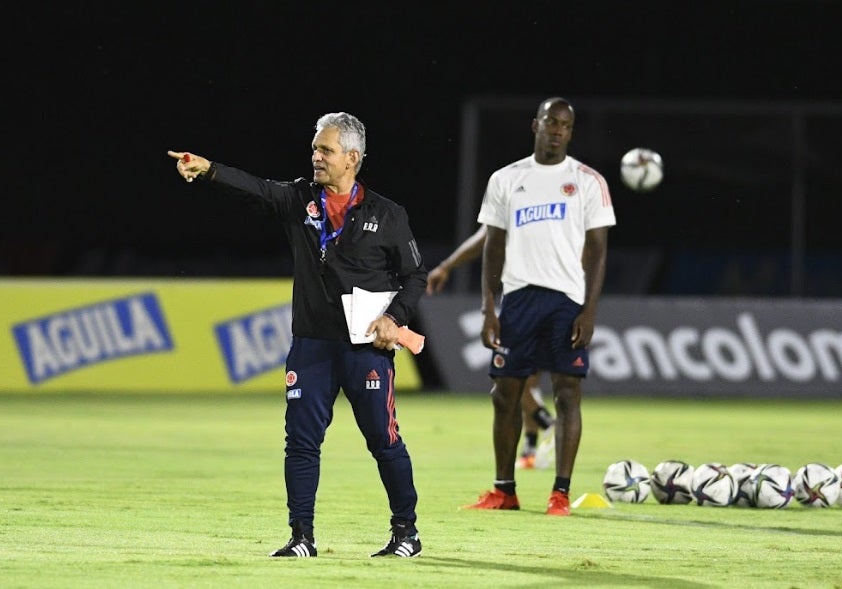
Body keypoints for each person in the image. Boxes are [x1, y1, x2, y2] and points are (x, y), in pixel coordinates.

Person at [168, 112, 426, 557]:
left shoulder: (387, 214)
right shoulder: (299, 200)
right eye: (314, 149)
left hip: (364, 348)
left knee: (383, 441)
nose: (316, 157)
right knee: (301, 444)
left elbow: (416, 276)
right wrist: (209, 169)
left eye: (325, 150)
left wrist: (394, 318)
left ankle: (407, 532)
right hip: (311, 345)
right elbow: (254, 188)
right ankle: (301, 537)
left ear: (352, 158)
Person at [463, 97, 616, 515]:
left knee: (568, 394)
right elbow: (493, 246)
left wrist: (589, 310)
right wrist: (488, 307)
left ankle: (560, 494)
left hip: (566, 300)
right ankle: (504, 491)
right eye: (551, 122)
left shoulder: (588, 181)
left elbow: (599, 252)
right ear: (535, 125)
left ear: (571, 131)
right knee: (504, 394)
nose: (557, 131)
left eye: (565, 125)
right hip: (517, 299)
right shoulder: (506, 179)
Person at [425, 226, 556, 470]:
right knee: (528, 380)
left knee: (509, 377)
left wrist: (446, 266)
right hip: (555, 299)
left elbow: (483, 237)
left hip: (525, 300)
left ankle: (547, 422)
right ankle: (530, 447)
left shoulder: (513, 194)